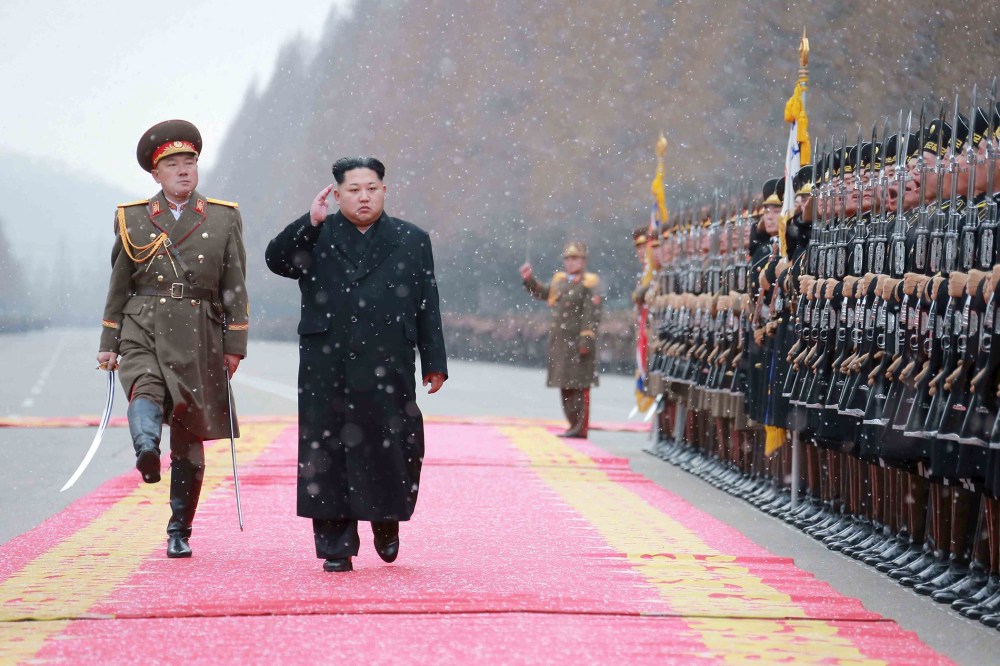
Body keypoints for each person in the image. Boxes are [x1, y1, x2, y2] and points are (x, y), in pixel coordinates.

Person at [265, 156, 448, 573]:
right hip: (326, 361)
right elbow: (277, 261)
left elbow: (427, 302)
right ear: (336, 194)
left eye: (371, 188)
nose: (364, 197)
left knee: (391, 444)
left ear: (384, 190)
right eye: (353, 190)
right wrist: (309, 222)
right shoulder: (317, 234)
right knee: (327, 449)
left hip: (388, 359)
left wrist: (433, 360)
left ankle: (386, 520)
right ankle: (336, 544)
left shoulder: (411, 239)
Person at [96, 119, 249, 559]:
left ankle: (180, 528)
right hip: (143, 320)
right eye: (173, 165)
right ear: (155, 174)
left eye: (190, 162)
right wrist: (109, 339)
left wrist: (235, 344)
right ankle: (146, 447)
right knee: (144, 384)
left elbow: (235, 285)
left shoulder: (223, 216)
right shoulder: (132, 217)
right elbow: (119, 282)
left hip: (199, 330)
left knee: (189, 433)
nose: (184, 171)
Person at [519, 242, 603, 438]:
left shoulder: (589, 284)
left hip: (578, 342)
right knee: (565, 385)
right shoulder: (561, 282)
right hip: (562, 344)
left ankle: (580, 427)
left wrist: (586, 340)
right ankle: (572, 424)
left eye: (575, 258)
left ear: (583, 261)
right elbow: (543, 292)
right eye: (568, 259)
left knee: (579, 386)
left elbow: (591, 315)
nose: (571, 262)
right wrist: (529, 280)